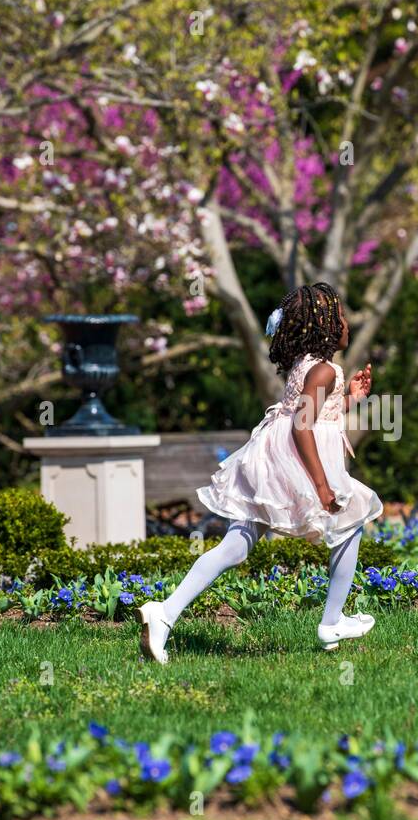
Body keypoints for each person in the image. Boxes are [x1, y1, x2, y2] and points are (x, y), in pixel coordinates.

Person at [137, 282, 384, 663]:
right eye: (342, 316)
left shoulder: (311, 366)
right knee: (352, 519)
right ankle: (331, 621)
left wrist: (351, 396)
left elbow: (318, 416)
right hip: (294, 461)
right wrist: (321, 485)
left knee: (236, 545)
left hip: (272, 458)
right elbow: (304, 428)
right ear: (328, 326)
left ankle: (164, 614)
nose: (348, 323)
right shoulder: (322, 370)